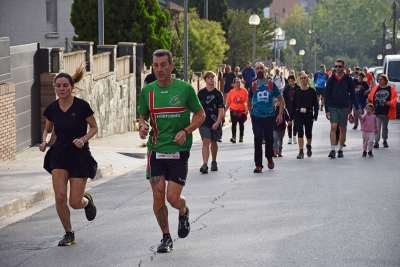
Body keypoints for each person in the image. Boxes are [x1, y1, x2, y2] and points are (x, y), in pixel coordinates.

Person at [137, 49, 205, 253]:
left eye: (163, 65)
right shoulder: (147, 91)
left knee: (172, 198)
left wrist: (186, 130)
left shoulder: (185, 89)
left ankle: (183, 211)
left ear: (171, 66)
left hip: (179, 150)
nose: (159, 69)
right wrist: (142, 126)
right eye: (155, 65)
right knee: (158, 195)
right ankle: (166, 237)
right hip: (156, 150)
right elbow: (143, 117)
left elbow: (200, 115)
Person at [39, 66, 99, 246]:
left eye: (65, 85)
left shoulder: (82, 106)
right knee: (59, 196)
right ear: (55, 88)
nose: (62, 89)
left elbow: (94, 127)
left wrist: (84, 139)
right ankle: (69, 233)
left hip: (79, 154)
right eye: (58, 86)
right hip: (59, 153)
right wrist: (44, 141)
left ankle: (86, 201)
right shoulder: (52, 108)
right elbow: (48, 130)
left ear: (72, 87)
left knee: (74, 202)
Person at [248, 62, 284, 173]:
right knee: (257, 138)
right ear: (255, 71)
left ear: (265, 70)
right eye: (257, 68)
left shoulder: (271, 84)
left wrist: (280, 114)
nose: (259, 70)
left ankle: (269, 157)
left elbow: (281, 100)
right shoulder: (253, 85)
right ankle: (258, 165)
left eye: (261, 68)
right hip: (257, 116)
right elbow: (249, 101)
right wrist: (251, 114)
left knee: (269, 139)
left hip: (269, 116)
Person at [325, 59, 360, 158]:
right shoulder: (331, 79)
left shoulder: (348, 79)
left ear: (344, 67)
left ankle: (340, 149)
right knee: (333, 126)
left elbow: (352, 94)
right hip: (333, 106)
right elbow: (326, 95)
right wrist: (327, 110)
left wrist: (356, 108)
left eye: (340, 66)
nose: (337, 68)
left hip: (344, 106)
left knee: (342, 127)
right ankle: (332, 149)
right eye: (336, 66)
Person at [197, 71, 225, 173]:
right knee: (206, 141)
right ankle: (205, 164)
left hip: (215, 121)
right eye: (209, 78)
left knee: (214, 141)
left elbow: (221, 109)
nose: (211, 79)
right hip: (204, 122)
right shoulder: (200, 93)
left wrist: (217, 122)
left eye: (212, 77)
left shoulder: (218, 94)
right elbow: (197, 109)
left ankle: (214, 161)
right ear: (205, 80)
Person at [290, 73, 319, 159]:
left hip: (308, 113)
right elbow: (293, 105)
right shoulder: (296, 92)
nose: (303, 80)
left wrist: (315, 115)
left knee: (308, 133)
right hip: (298, 113)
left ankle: (309, 146)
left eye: (305, 78)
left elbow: (316, 105)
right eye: (301, 78)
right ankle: (301, 151)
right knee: (300, 132)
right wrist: (290, 118)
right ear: (299, 80)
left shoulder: (312, 91)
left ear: (307, 80)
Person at [367, 74, 398, 148]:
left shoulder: (391, 88)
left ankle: (384, 140)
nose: (379, 81)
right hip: (377, 111)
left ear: (385, 80)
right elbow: (370, 97)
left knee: (385, 127)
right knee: (377, 126)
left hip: (387, 111)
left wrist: (390, 103)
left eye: (381, 79)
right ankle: (376, 141)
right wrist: (368, 101)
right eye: (379, 79)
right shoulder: (375, 88)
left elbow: (395, 98)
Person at [225, 77, 248, 143]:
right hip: (233, 109)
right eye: (237, 82)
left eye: (239, 82)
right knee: (234, 123)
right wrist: (224, 111)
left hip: (242, 110)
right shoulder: (231, 92)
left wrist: (247, 109)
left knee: (241, 124)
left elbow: (247, 101)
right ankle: (234, 137)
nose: (238, 84)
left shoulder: (244, 91)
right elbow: (228, 102)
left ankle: (241, 137)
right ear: (234, 84)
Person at [282, 75, 299, 145]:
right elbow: (284, 99)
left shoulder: (298, 88)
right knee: (289, 122)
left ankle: (294, 135)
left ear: (294, 81)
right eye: (289, 81)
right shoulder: (286, 89)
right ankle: (290, 137)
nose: (291, 83)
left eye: (292, 81)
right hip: (289, 108)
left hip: (297, 108)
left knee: (296, 123)